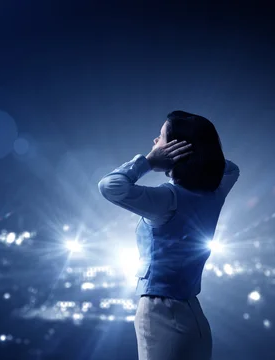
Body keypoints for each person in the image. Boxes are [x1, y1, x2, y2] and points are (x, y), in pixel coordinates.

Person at [98, 111, 240, 360]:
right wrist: (201, 153)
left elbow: (110, 187)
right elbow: (231, 169)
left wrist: (149, 162)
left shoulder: (168, 200)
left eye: (162, 137)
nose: (155, 141)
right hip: (194, 313)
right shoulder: (215, 194)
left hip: (159, 314)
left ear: (178, 149)